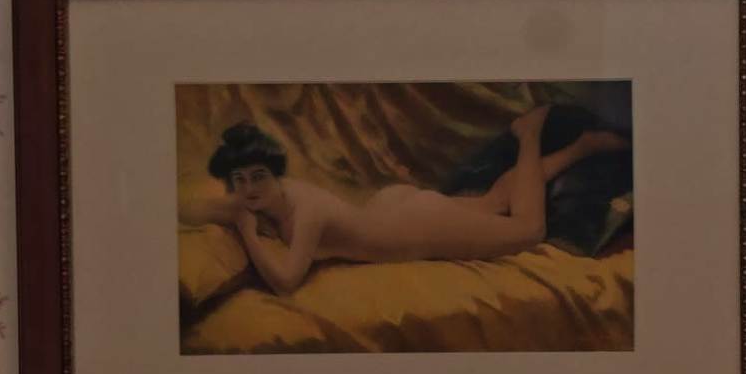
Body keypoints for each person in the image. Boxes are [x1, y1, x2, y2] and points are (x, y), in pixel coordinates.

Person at [204, 98, 627, 301]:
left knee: (526, 229)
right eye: (240, 181)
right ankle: (581, 148)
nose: (250, 189)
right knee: (497, 203)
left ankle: (529, 134)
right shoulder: (275, 197)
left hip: (411, 226)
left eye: (258, 177)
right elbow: (199, 206)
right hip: (394, 212)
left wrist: (248, 233)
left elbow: (286, 281)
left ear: (276, 176)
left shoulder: (306, 213)